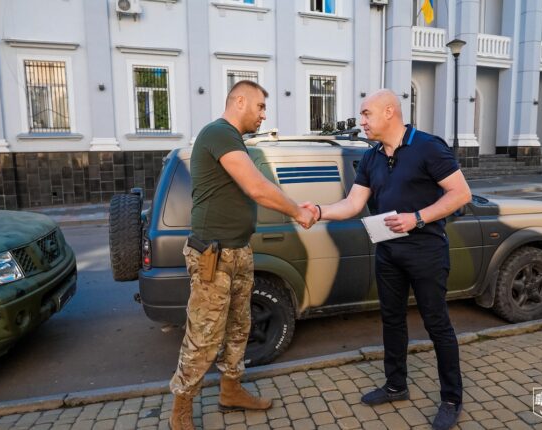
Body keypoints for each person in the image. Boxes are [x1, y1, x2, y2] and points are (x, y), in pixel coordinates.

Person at [302, 89, 471, 430]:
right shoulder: (372, 156)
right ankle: (396, 386)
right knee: (392, 321)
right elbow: (352, 204)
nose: (360, 121)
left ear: (390, 111)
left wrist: (418, 217)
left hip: (426, 251)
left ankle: (451, 398)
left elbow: (460, 193)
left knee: (437, 325)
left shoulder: (428, 146)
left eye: (366, 114)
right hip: (388, 252)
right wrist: (318, 211)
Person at [169, 80, 315, 430]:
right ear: (239, 101)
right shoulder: (219, 133)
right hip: (213, 255)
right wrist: (298, 212)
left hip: (238, 250)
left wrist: (297, 205)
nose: (264, 115)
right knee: (203, 336)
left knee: (239, 327)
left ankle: (230, 391)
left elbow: (256, 187)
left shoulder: (235, 141)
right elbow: (255, 187)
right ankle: (181, 409)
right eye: (261, 107)